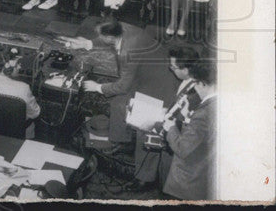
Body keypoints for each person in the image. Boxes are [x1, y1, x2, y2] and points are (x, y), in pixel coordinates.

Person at [65, 20, 158, 148]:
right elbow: (107, 39)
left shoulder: (127, 52)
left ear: (110, 37)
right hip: (146, 64)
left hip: (152, 78)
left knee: (118, 104)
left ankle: (119, 143)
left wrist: (97, 87)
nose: (100, 38)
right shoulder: (121, 27)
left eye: (101, 36)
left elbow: (123, 87)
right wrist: (87, 43)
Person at [128, 46, 201, 192]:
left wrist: (158, 120)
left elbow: (181, 121)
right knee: (142, 117)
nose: (170, 69)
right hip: (173, 119)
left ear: (185, 69)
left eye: (173, 67)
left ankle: (145, 178)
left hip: (178, 132)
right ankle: (147, 175)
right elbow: (176, 107)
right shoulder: (190, 80)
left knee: (143, 128)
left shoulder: (195, 92)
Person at [162, 58, 216, 200]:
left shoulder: (203, 113)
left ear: (202, 84)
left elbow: (182, 148)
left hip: (189, 181)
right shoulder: (215, 104)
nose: (196, 89)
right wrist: (187, 117)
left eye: (196, 83)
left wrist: (171, 127)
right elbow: (201, 135)